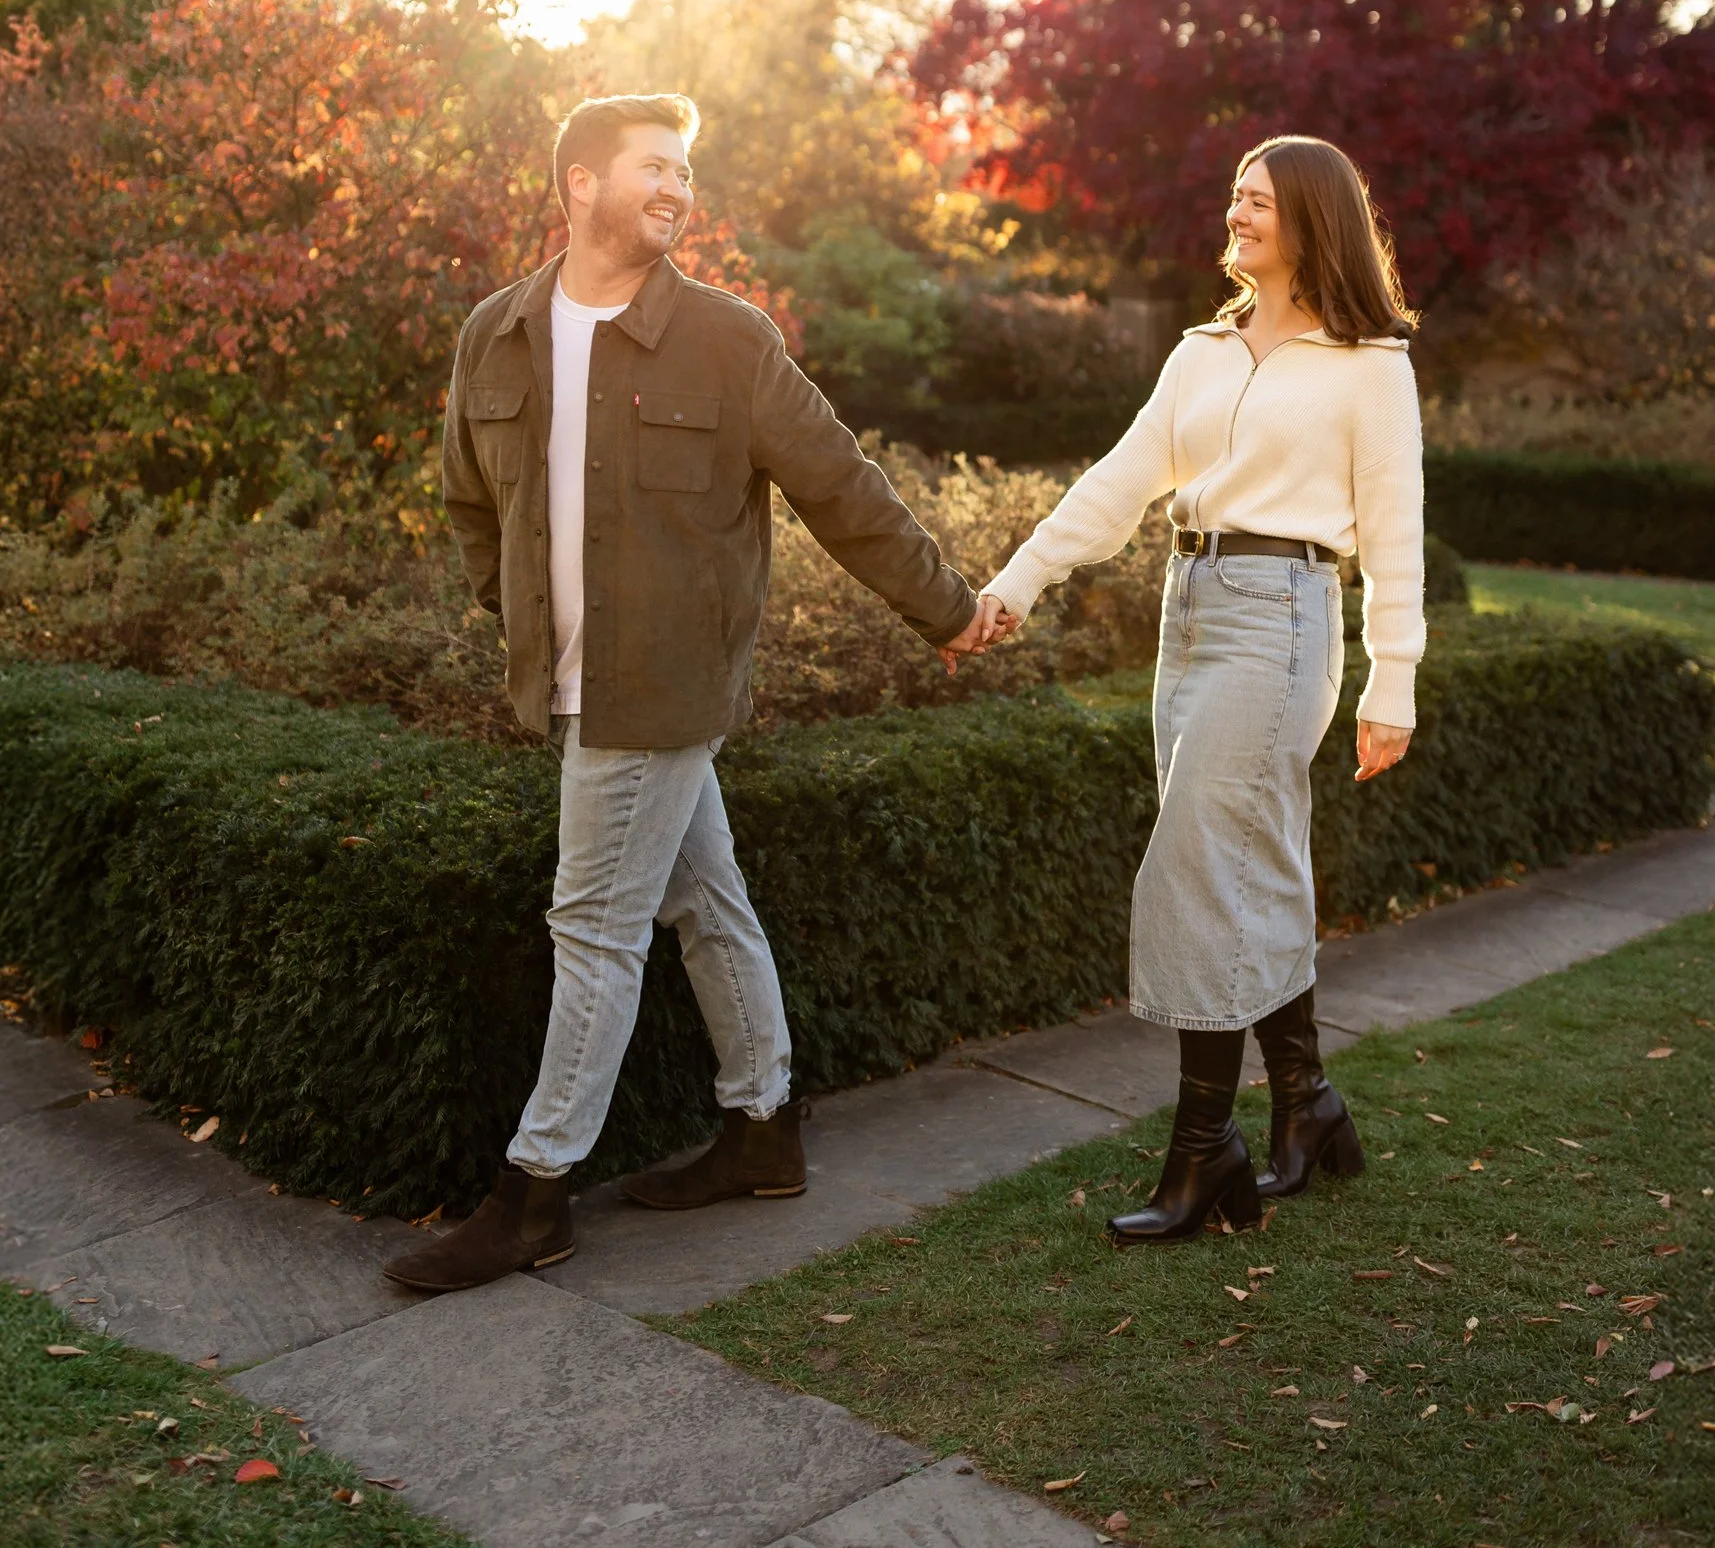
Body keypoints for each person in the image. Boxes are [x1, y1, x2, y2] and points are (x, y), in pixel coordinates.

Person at [385, 92, 990, 1292]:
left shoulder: (726, 338)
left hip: (662, 684)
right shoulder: (497, 332)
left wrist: (947, 606)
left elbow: (839, 484)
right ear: (579, 182)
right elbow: (468, 499)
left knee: (591, 930)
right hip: (566, 681)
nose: (677, 188)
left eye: (684, 171)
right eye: (654, 166)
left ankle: (535, 1189)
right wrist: (516, 614)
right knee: (704, 899)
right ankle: (761, 1127)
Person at [972, 136, 1424, 1244]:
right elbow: (1121, 479)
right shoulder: (1200, 352)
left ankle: (1203, 1149)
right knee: (1249, 860)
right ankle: (1306, 1103)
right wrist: (1018, 578)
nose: (1236, 212)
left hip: (1283, 615)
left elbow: (1395, 535)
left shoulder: (1367, 364)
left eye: (1258, 200)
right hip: (1190, 607)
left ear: (1312, 219)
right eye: (1233, 194)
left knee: (1195, 858)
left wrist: (1393, 679)